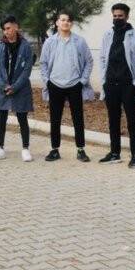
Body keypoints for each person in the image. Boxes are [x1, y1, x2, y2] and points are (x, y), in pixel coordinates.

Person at [39, 11, 94, 162]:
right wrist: (47, 81)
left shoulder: (79, 41)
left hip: (74, 85)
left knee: (78, 119)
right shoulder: (50, 42)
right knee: (55, 119)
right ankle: (54, 149)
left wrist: (82, 81)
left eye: (69, 20)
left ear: (71, 23)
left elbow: (89, 62)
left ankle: (81, 150)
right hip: (55, 85)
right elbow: (43, 63)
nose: (66, 23)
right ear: (57, 23)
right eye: (62, 20)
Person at [98, 3, 135, 168]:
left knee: (132, 121)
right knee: (113, 120)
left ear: (127, 16)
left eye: (120, 16)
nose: (117, 18)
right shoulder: (107, 35)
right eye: (115, 16)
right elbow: (103, 59)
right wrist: (104, 81)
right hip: (111, 84)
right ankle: (115, 153)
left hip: (128, 85)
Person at [0, 15, 35, 162]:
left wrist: (15, 87)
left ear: (16, 26)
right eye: (4, 29)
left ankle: (25, 148)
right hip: (2, 88)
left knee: (22, 117)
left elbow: (27, 70)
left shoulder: (26, 46)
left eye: (8, 28)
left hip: (20, 88)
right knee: (1, 117)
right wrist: (3, 85)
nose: (6, 31)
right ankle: (0, 148)